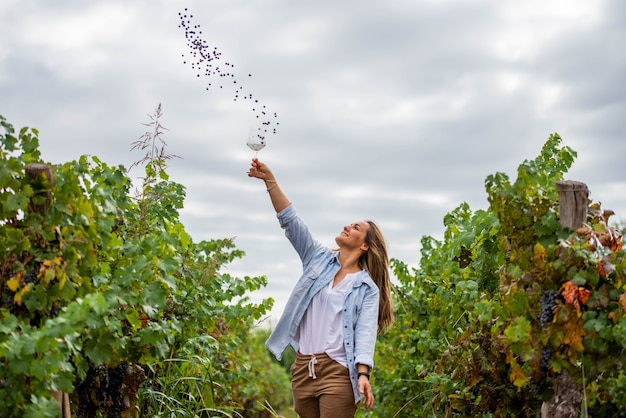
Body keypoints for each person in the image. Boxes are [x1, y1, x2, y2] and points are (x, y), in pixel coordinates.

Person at [247, 158, 394, 418]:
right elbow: (291, 222)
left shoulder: (367, 288)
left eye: (356, 227)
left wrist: (362, 373)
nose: (347, 226)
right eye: (349, 224)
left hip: (337, 371)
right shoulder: (317, 259)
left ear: (365, 246)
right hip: (303, 367)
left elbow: (365, 333)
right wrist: (270, 181)